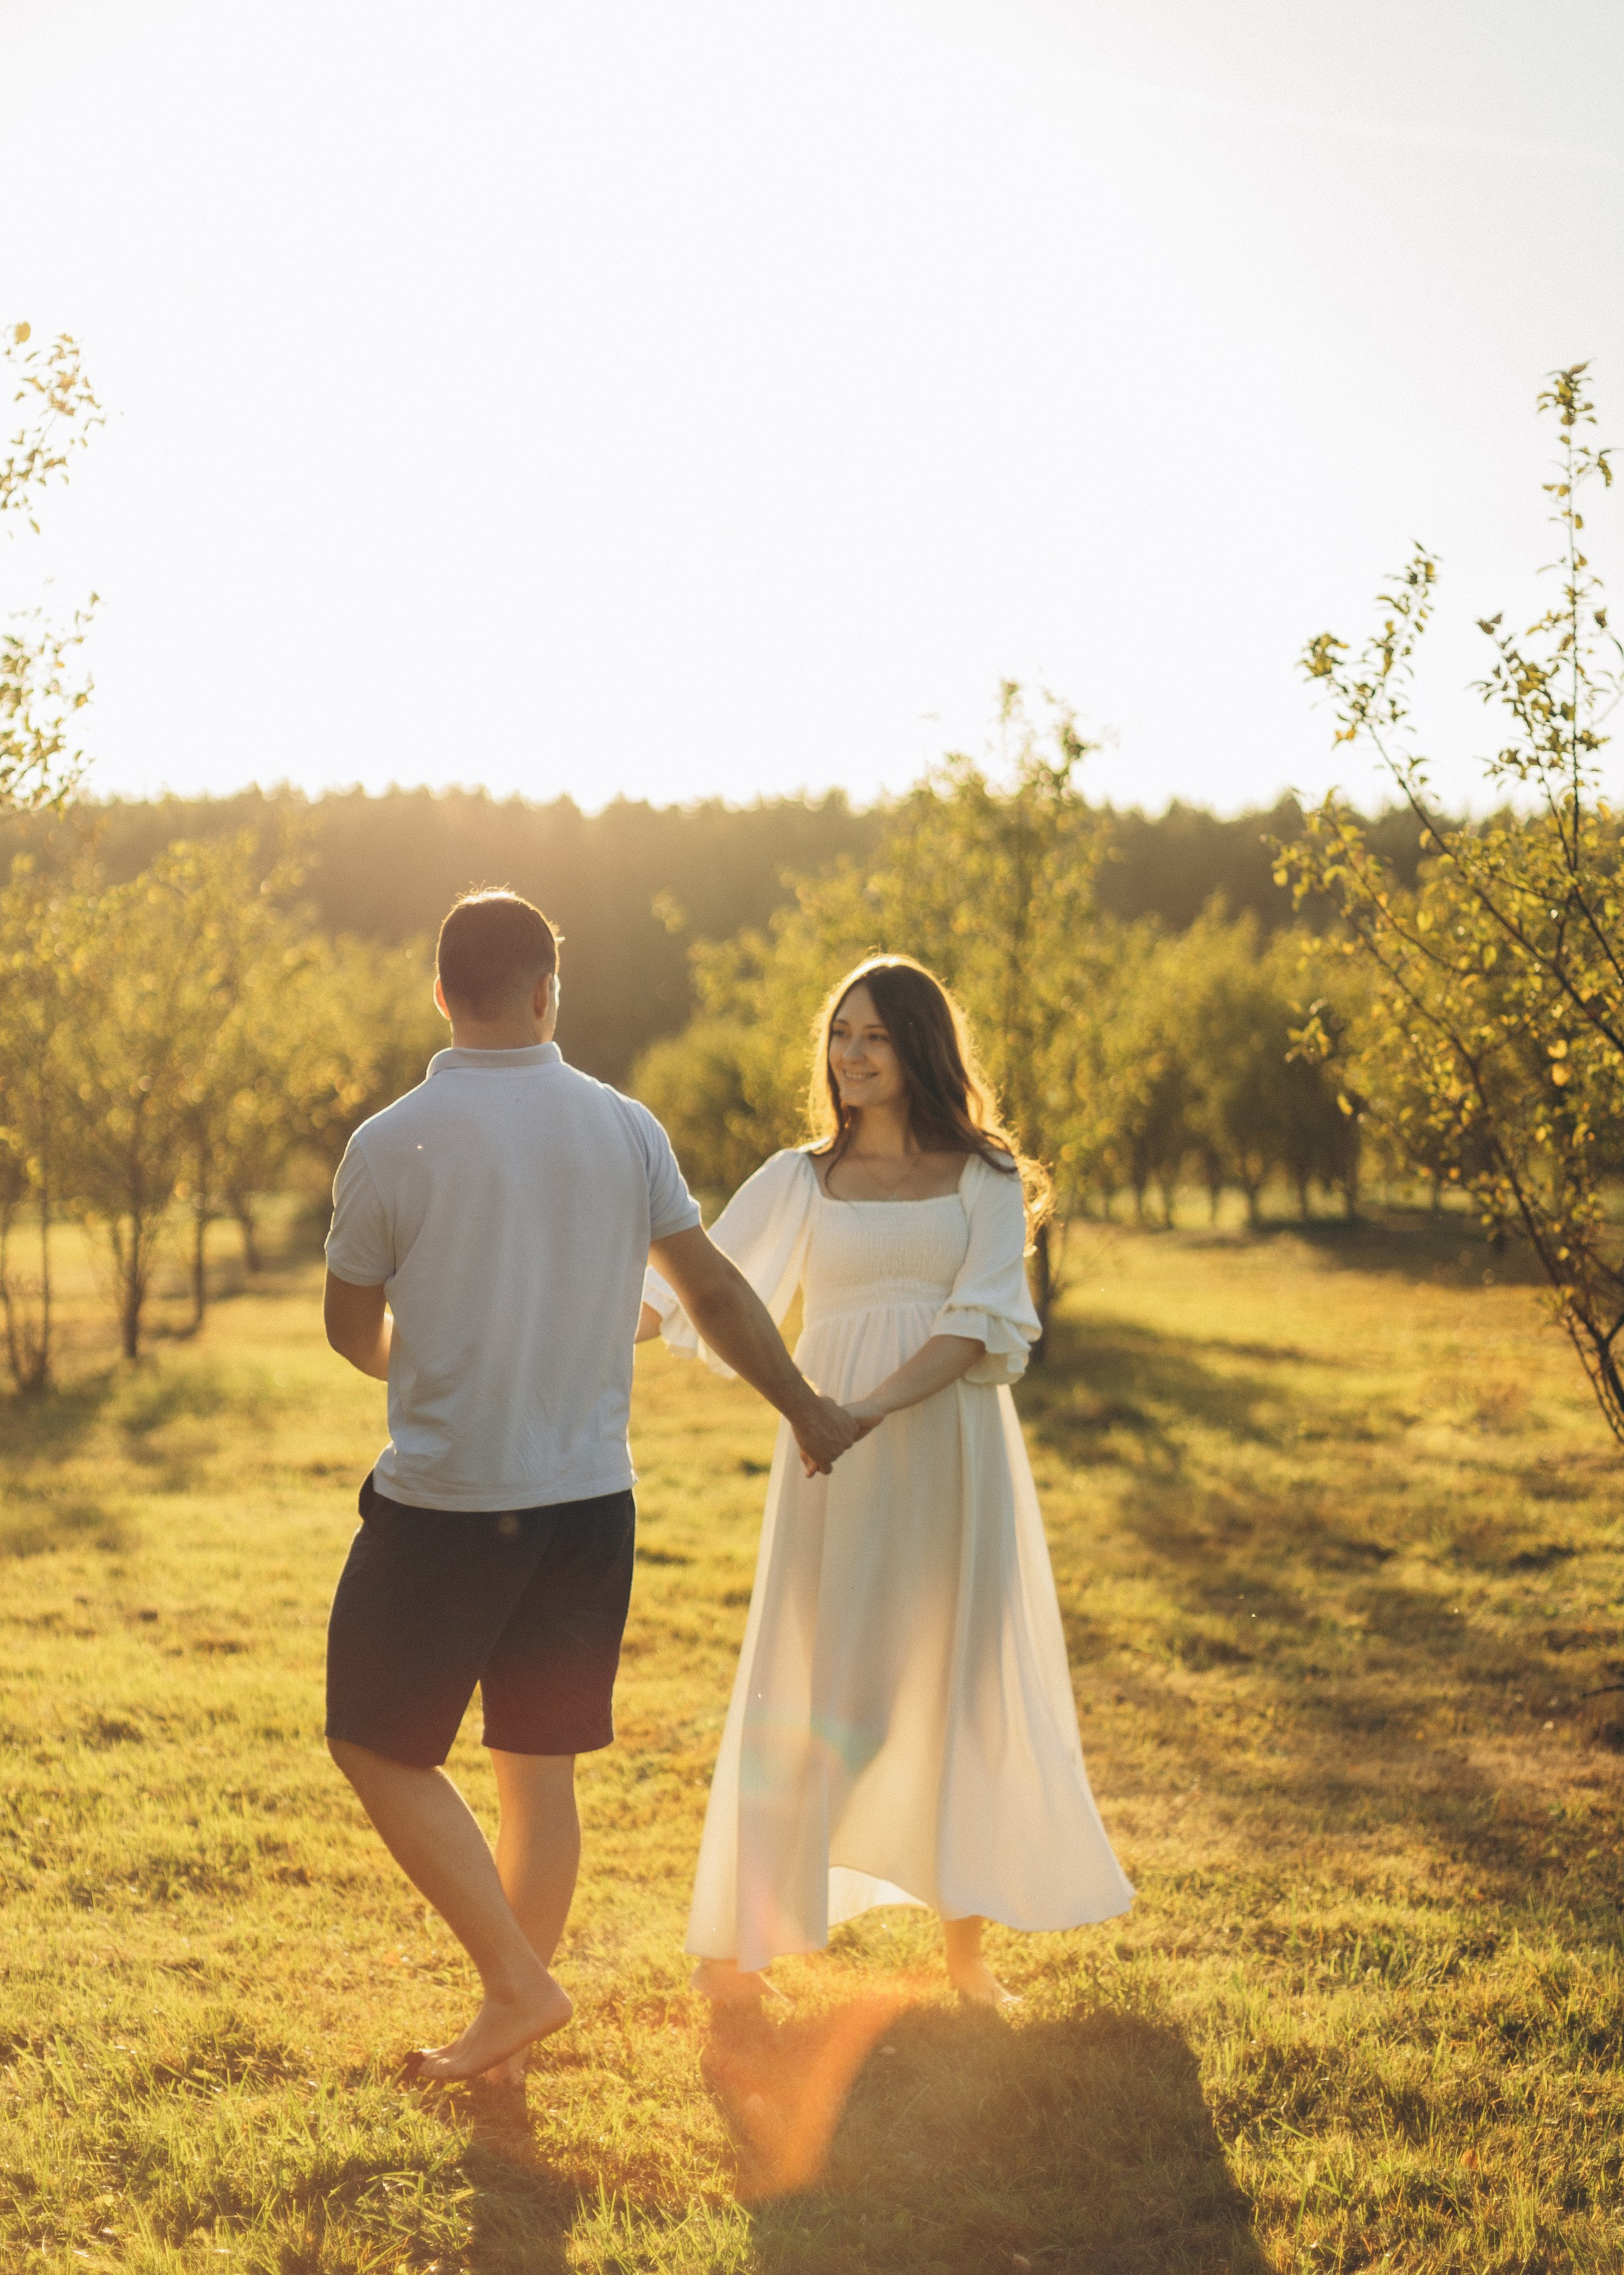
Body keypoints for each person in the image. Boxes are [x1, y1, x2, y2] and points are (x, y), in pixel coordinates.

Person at [321, 888, 864, 2084]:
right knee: (537, 1768)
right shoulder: (625, 1127)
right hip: (588, 1506)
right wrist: (807, 1408)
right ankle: (505, 2044)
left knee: (370, 1736)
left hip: (448, 1500)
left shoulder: (389, 1141)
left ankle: (515, 1990)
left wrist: (422, 1361)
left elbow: (349, 1327)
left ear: (440, 992)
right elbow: (714, 1294)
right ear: (544, 992)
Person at [641, 955, 1133, 2003]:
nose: (850, 1056)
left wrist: (858, 1409)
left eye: (871, 1036)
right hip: (831, 1465)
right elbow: (690, 1288)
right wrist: (550, 1311)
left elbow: (977, 1326)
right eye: (839, 1036)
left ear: (920, 1048)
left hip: (948, 1453)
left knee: (958, 1683)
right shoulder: (798, 1178)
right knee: (812, 1685)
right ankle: (735, 1951)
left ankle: (967, 1959)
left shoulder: (989, 1180)